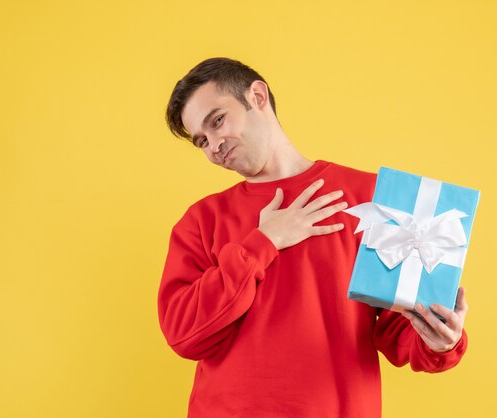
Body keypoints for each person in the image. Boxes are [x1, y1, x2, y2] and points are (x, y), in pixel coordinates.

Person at [158, 57, 469, 418]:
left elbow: (403, 329)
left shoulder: (371, 198)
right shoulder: (201, 220)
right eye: (201, 140)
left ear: (257, 95)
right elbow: (184, 334)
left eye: (217, 120)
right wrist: (262, 243)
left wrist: (442, 339)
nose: (214, 145)